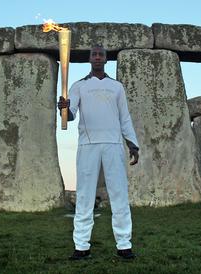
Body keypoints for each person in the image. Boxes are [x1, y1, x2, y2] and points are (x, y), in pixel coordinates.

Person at [57, 45, 140, 260]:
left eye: (100, 55)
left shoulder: (117, 87)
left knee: (119, 194)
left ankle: (124, 244)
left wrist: (133, 144)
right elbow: (71, 115)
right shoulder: (78, 86)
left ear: (105, 59)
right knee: (84, 196)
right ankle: (81, 246)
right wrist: (64, 108)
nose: (97, 57)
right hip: (88, 145)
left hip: (113, 145)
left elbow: (125, 118)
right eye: (93, 54)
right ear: (89, 59)